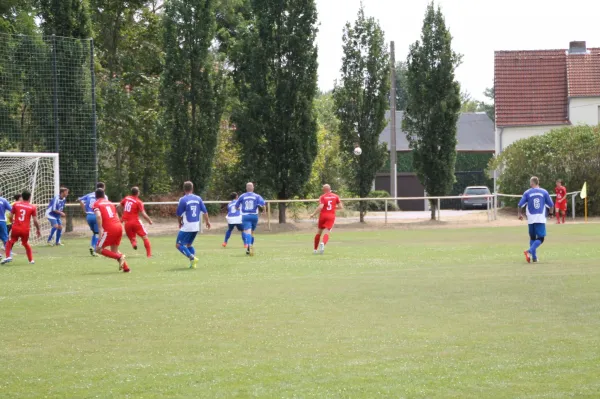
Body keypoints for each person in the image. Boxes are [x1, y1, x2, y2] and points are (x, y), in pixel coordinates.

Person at [518, 176, 554, 263]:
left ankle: (534, 257)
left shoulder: (527, 193)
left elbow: (520, 204)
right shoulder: (544, 192)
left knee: (532, 238)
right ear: (538, 183)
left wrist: (519, 214)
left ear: (532, 183)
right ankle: (529, 251)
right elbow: (551, 205)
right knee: (541, 238)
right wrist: (551, 213)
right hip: (540, 218)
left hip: (531, 218)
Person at [176, 181, 211, 268]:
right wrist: (207, 222)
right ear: (192, 188)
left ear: (184, 189)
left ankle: (192, 258)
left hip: (187, 226)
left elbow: (179, 214)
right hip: (196, 226)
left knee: (179, 245)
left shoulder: (183, 199)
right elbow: (205, 211)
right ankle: (193, 264)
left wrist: (179, 223)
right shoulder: (198, 198)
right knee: (189, 245)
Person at [94, 188, 129, 273]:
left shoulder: (96, 204)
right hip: (119, 226)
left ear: (96, 196)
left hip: (109, 228)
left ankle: (119, 257)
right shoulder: (110, 203)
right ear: (104, 195)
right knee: (114, 250)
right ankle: (126, 268)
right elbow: (116, 213)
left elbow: (98, 216)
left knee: (98, 249)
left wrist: (100, 229)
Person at [1, 190, 41, 265]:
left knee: (10, 241)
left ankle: (8, 256)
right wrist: (38, 229)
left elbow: (10, 215)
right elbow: (35, 220)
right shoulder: (32, 207)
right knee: (25, 243)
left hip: (16, 227)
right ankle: (31, 260)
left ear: (22, 197)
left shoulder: (16, 205)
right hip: (25, 229)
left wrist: (11, 220)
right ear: (29, 197)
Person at [117, 186, 153, 257]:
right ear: (138, 193)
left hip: (126, 223)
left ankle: (134, 244)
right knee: (144, 237)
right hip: (135, 222)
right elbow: (143, 214)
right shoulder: (138, 202)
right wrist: (149, 220)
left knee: (132, 237)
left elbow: (118, 207)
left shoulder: (127, 198)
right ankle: (149, 255)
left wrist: (121, 216)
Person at [310, 184, 344, 254]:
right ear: (330, 189)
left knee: (319, 232)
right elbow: (341, 207)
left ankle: (315, 250)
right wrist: (333, 207)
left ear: (324, 189)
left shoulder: (322, 197)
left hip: (323, 215)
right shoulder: (336, 196)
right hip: (331, 216)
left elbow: (320, 207)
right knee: (327, 231)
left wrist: (313, 214)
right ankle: (323, 243)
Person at [235, 182, 265, 256]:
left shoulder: (242, 196)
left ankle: (249, 246)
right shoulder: (257, 196)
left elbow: (236, 206)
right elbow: (263, 204)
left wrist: (239, 209)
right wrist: (264, 211)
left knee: (247, 232)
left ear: (246, 188)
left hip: (245, 216)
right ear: (253, 188)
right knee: (251, 232)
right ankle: (250, 246)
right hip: (254, 216)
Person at [79, 182, 108, 256]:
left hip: (88, 216)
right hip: (96, 216)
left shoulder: (89, 194)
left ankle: (92, 246)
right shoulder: (104, 196)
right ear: (103, 188)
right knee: (98, 233)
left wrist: (84, 210)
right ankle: (94, 248)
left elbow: (80, 200)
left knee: (95, 233)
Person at [0, 192, 12, 257]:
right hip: (2, 221)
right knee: (5, 239)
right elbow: (11, 209)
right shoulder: (4, 200)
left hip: (2, 221)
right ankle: (9, 255)